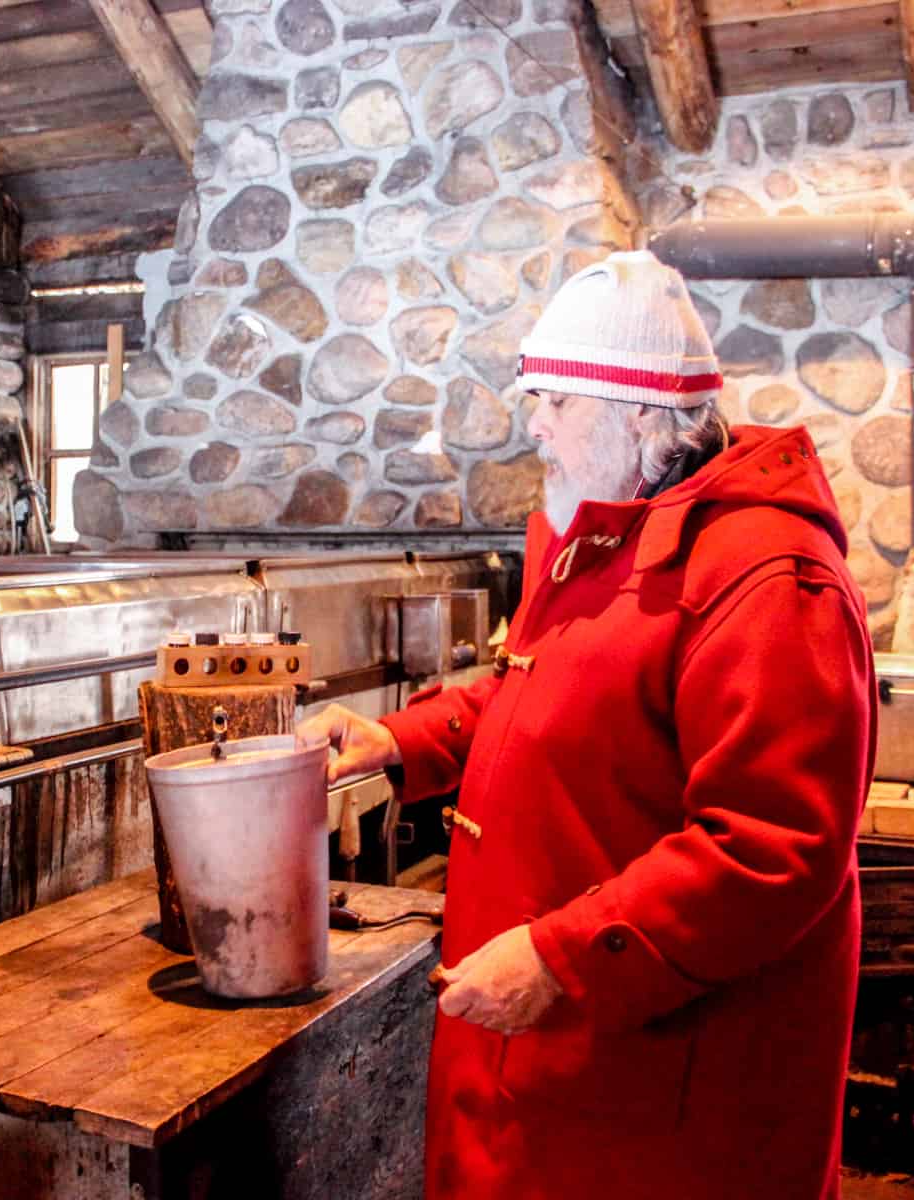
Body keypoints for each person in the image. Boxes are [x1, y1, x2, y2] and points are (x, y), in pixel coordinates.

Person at [299, 250, 875, 1199]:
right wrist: (399, 741)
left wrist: (565, 960)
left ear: (640, 411)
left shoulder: (768, 576)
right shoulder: (616, 536)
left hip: (658, 1092)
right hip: (563, 1067)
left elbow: (772, 848)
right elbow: (541, 696)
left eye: (556, 401)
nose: (537, 425)